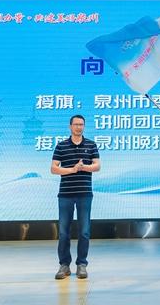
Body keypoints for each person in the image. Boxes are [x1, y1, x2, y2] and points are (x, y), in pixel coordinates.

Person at [51, 115, 100, 280]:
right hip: (65, 194)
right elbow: (54, 168)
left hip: (85, 194)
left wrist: (83, 167)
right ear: (70, 126)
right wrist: (72, 170)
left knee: (84, 231)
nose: (79, 127)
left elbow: (97, 166)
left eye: (81, 124)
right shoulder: (61, 146)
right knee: (63, 232)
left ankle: (82, 264)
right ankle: (64, 265)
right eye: (76, 124)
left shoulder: (91, 145)